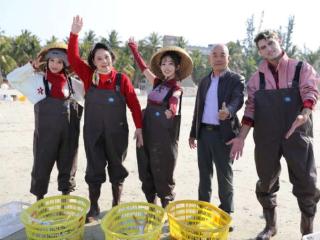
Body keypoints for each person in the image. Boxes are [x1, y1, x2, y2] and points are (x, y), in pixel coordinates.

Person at [228, 30, 320, 239]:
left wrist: (304, 114)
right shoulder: (255, 80)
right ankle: (270, 227)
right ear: (260, 52)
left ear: (279, 41)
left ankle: (307, 231)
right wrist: (241, 137)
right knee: (266, 180)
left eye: (270, 43)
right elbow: (250, 111)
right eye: (263, 47)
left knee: (307, 182)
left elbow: (310, 92)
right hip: (266, 137)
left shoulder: (301, 68)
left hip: (297, 133)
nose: (268, 49)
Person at [68, 16, 143, 222]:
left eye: (107, 57)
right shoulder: (88, 76)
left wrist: (139, 127)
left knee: (117, 168)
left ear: (112, 58)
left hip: (117, 133)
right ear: (93, 62)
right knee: (94, 168)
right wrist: (74, 34)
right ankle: (93, 208)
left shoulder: (122, 79)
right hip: (93, 132)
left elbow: (134, 104)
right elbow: (73, 58)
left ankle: (116, 205)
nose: (104, 61)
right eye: (99, 58)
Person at [7, 43, 85, 201]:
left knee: (68, 167)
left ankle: (65, 200)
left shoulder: (74, 85)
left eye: (60, 62)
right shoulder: (37, 82)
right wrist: (30, 67)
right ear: (47, 62)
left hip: (69, 137)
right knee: (41, 167)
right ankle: (39, 201)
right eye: (52, 61)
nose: (55, 65)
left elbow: (91, 92)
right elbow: (11, 78)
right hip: (45, 138)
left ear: (65, 65)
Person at [128, 38, 193, 208]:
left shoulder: (177, 88)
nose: (166, 66)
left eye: (171, 63)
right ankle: (151, 205)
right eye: (164, 63)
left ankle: (166, 205)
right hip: (147, 131)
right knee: (145, 168)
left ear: (177, 66)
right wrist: (134, 49)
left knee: (164, 169)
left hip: (164, 137)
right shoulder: (157, 82)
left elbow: (174, 99)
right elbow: (143, 68)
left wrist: (171, 110)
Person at [188, 44, 244, 224]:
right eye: (215, 55)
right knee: (204, 175)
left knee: (224, 176)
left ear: (228, 58)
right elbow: (198, 108)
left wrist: (229, 111)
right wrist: (193, 133)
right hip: (204, 133)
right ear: (210, 59)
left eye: (222, 55)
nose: (218, 58)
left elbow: (238, 99)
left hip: (224, 135)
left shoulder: (235, 79)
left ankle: (225, 215)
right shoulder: (204, 81)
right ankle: (203, 211)